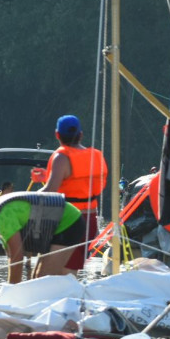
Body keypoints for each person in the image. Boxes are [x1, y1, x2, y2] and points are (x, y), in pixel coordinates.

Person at [39, 115, 108, 275]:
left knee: (47, 274)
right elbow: (78, 184)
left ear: (57, 135)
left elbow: (50, 190)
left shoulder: (61, 158)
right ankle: (70, 298)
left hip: (68, 221)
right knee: (70, 272)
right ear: (81, 135)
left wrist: (24, 197)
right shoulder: (96, 156)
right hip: (89, 221)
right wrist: (48, 178)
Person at [0, 192, 84, 284]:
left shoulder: (3, 217)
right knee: (36, 278)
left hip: (69, 221)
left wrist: (11, 291)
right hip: (55, 226)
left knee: (44, 278)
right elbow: (11, 256)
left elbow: (17, 257)